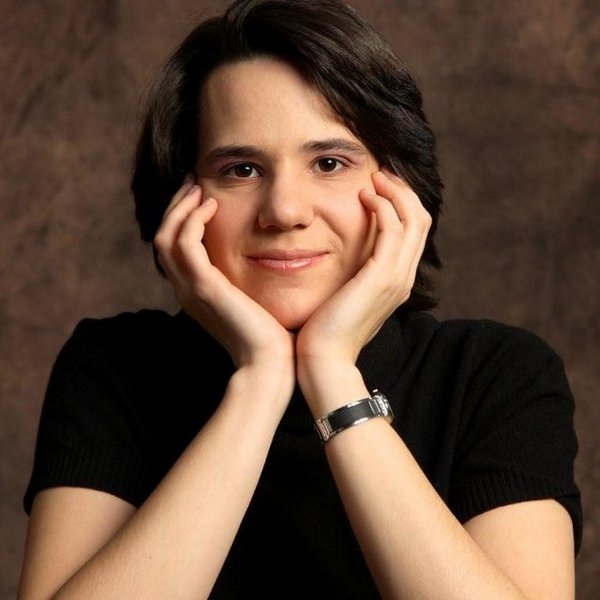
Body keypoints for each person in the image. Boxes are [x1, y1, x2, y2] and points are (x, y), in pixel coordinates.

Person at [18, 0, 581, 598]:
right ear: (181, 199)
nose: (284, 211)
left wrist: (331, 371)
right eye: (241, 169)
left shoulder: (496, 376)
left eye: (329, 163)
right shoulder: (114, 367)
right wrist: (259, 382)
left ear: (402, 188)